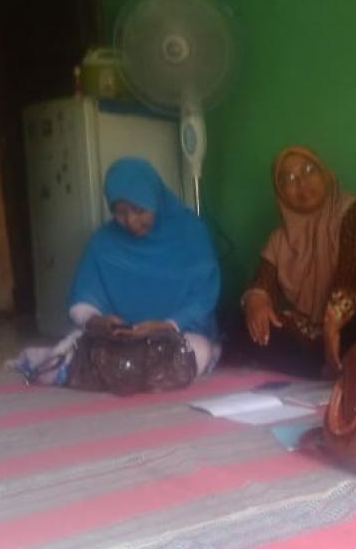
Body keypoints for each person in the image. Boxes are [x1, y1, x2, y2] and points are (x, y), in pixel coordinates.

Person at [13, 158, 220, 386]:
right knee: (86, 348)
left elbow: (204, 296)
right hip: (119, 340)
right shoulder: (103, 242)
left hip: (179, 333)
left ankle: (103, 372)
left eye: (139, 210)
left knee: (193, 353)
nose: (130, 221)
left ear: (156, 200)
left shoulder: (190, 233)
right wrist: (96, 321)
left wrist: (167, 325)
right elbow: (82, 299)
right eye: (120, 212)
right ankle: (112, 370)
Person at [235, 146, 356, 378]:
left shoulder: (354, 211)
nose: (302, 183)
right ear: (280, 192)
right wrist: (256, 302)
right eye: (289, 179)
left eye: (310, 170)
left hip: (355, 319)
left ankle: (318, 366)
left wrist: (333, 326)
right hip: (313, 330)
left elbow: (353, 277)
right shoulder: (280, 239)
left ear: (325, 173)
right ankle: (324, 367)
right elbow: (262, 283)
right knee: (243, 325)